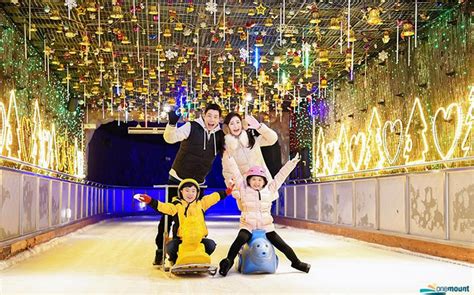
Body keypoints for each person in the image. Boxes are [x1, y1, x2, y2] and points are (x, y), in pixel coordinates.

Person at [152, 103, 224, 265]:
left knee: (196, 218)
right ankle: (160, 250)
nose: (212, 119)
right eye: (209, 115)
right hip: (177, 179)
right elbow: (170, 138)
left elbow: (229, 155)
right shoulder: (191, 127)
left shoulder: (219, 135)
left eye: (216, 116)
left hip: (197, 184)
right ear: (203, 115)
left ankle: (193, 249)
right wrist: (171, 124)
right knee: (169, 216)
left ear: (219, 119)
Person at [218, 152, 311, 276]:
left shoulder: (270, 189)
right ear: (249, 181)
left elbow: (280, 176)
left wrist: (292, 163)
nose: (256, 182)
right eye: (254, 179)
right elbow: (235, 171)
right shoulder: (243, 189)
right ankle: (228, 262)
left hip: (266, 226)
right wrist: (229, 157)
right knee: (239, 241)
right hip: (248, 225)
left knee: (282, 245)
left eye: (259, 180)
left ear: (264, 181)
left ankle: (296, 262)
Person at [135, 178, 233, 265]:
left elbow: (214, 197)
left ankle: (198, 258)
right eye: (187, 190)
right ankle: (176, 259)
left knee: (211, 244)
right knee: (171, 247)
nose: (190, 194)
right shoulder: (176, 206)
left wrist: (227, 192)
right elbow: (163, 207)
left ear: (197, 193)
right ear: (181, 191)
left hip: (198, 240)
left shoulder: (201, 204)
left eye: (193, 191)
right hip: (181, 240)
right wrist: (150, 201)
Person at [221, 112, 278, 188]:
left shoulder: (253, 141)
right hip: (246, 191)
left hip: (264, 186)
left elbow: (273, 139)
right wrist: (235, 188)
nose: (236, 126)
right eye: (232, 123)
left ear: (242, 124)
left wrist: (259, 127)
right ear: (227, 128)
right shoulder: (228, 150)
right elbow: (227, 173)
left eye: (238, 122)